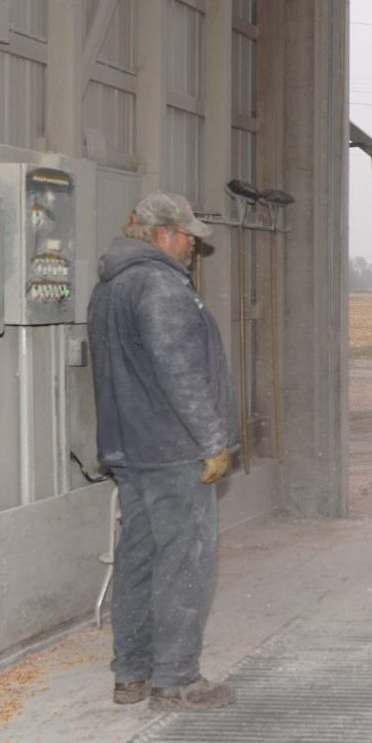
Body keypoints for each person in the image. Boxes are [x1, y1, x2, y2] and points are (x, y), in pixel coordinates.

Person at [88, 192, 240, 710]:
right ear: (160, 235)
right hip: (173, 449)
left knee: (138, 558)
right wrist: (212, 440)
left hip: (130, 447)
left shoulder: (110, 286)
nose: (194, 245)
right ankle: (175, 679)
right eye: (187, 235)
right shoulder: (160, 286)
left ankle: (130, 674)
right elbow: (181, 374)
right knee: (185, 561)